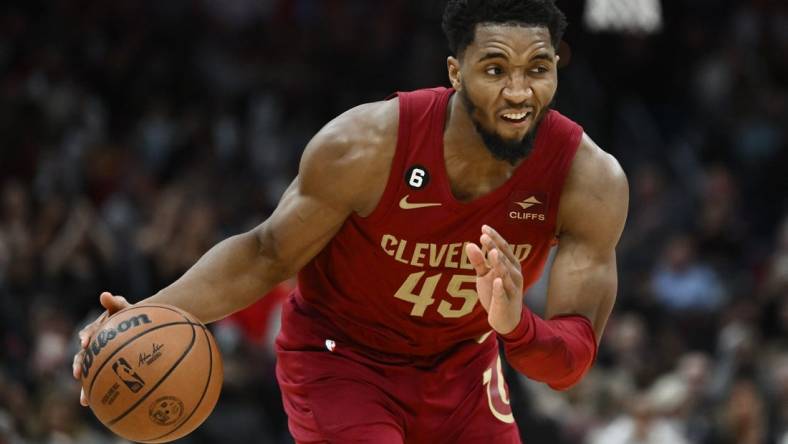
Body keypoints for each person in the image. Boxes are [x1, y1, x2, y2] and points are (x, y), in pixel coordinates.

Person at [72, 0, 629, 442]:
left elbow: (569, 363)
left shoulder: (589, 180)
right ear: (456, 72)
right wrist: (147, 315)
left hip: (463, 370)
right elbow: (266, 254)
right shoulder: (366, 144)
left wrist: (514, 325)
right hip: (342, 360)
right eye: (495, 69)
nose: (517, 92)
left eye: (537, 69)